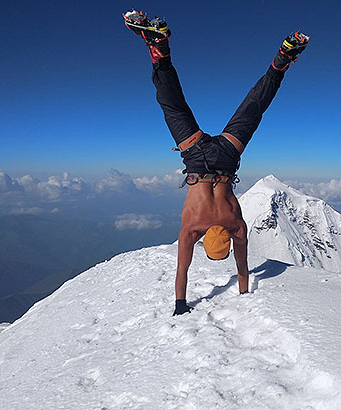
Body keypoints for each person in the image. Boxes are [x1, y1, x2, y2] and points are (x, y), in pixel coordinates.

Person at [123, 10, 309, 315]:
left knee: (254, 106)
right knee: (172, 104)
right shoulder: (191, 230)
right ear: (205, 242)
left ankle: (282, 58)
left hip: (226, 158)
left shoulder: (236, 225)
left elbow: (243, 268)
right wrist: (180, 304)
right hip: (196, 159)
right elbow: (182, 271)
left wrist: (243, 289)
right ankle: (159, 49)